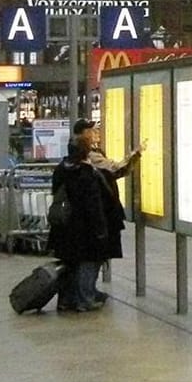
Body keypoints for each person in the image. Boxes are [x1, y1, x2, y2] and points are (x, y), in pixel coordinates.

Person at [50, 118, 141, 311]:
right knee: (89, 261)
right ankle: (85, 298)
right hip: (85, 226)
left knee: (71, 261)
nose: (95, 133)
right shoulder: (86, 173)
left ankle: (68, 299)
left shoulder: (62, 168)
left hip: (64, 223)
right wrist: (101, 228)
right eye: (91, 131)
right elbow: (93, 203)